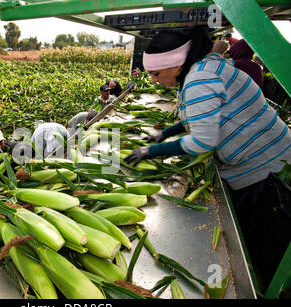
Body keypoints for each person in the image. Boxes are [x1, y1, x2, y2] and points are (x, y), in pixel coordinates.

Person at [123, 27, 291, 285]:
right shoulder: (206, 69)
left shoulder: (199, 81)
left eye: (157, 73)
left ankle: (269, 283)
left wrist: (151, 151)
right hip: (272, 155)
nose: (155, 80)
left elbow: (203, 140)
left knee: (267, 240)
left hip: (267, 168)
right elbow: (206, 114)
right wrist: (165, 133)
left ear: (175, 64)